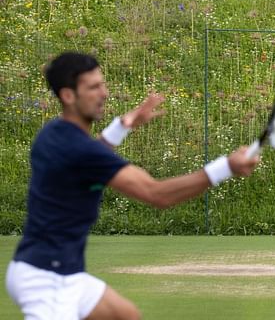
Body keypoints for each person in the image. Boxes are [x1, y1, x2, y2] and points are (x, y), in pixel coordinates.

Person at [5, 52, 260, 320]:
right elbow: (157, 194)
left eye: (102, 84)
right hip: (48, 280)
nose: (103, 93)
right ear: (68, 96)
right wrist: (225, 168)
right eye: (93, 87)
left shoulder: (53, 134)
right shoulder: (81, 151)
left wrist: (123, 125)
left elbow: (89, 156)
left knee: (126, 316)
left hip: (49, 269)